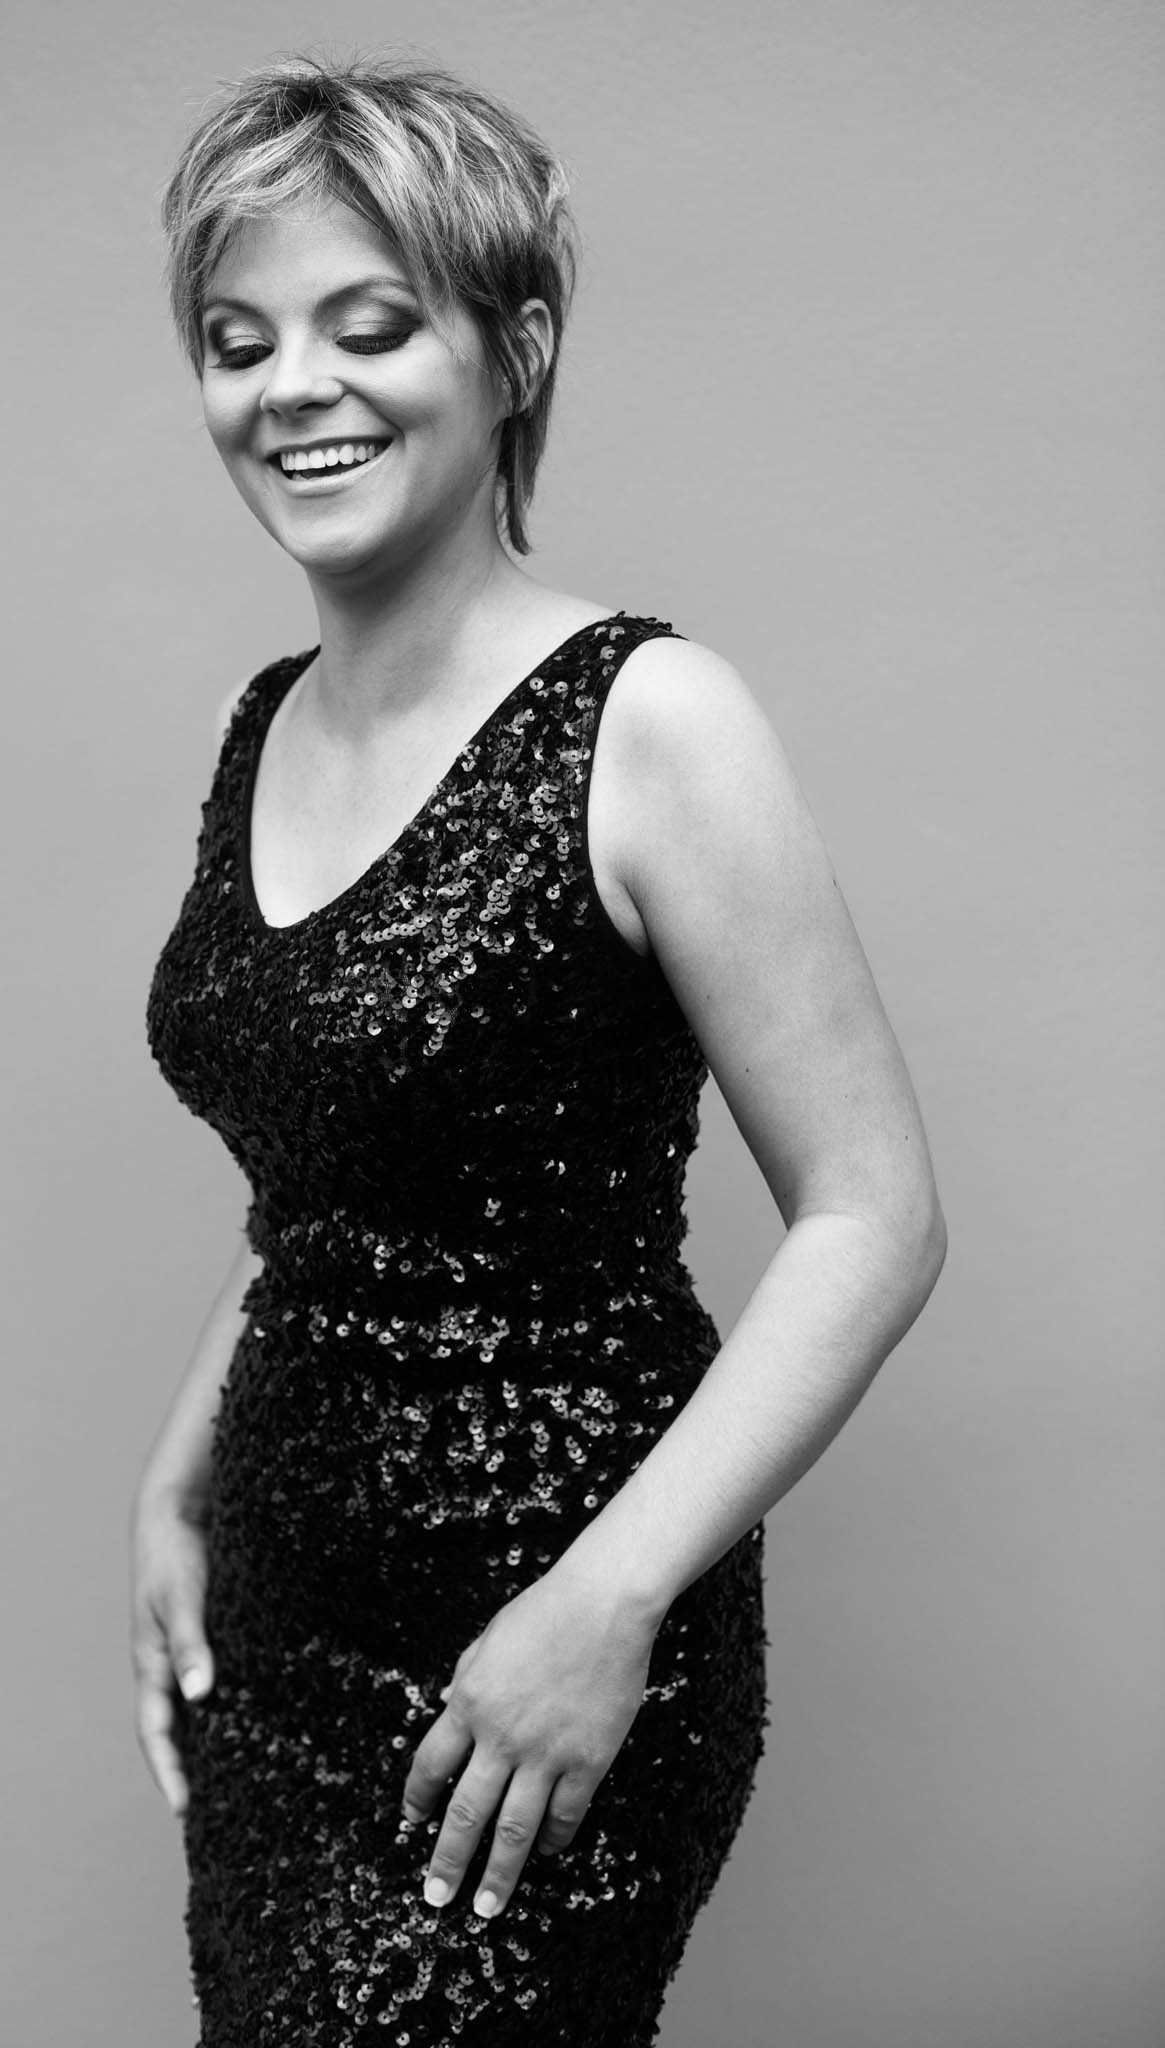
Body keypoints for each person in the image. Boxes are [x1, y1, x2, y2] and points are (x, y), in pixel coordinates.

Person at [133, 49, 947, 2048]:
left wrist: (604, 1605)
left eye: (366, 326)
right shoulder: (256, 726)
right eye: (238, 342)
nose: (292, 387)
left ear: (513, 349)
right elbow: (325, 1191)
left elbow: (872, 1217)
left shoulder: (650, 719)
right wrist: (175, 1478)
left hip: (546, 1637)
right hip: (279, 1630)